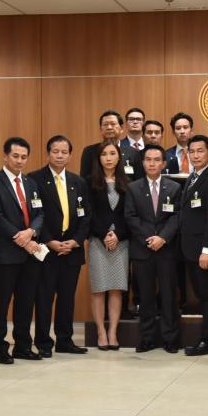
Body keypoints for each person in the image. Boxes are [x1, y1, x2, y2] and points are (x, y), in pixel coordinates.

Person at [0, 137, 44, 364]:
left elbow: (40, 213)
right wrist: (23, 239)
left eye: (24, 157)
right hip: (5, 253)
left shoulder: (31, 183)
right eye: (15, 156)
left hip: (30, 253)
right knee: (1, 302)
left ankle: (23, 346)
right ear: (5, 156)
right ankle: (0, 347)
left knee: (26, 301)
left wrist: (32, 232)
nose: (19, 161)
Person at [30, 135, 91, 356]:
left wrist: (76, 241)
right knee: (44, 298)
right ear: (48, 154)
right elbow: (35, 214)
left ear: (70, 155)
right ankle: (43, 342)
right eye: (55, 151)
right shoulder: (34, 179)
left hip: (71, 250)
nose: (59, 155)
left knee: (67, 298)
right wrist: (49, 240)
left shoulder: (78, 182)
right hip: (47, 249)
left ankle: (65, 340)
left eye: (64, 152)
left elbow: (86, 216)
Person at [124, 145, 182, 353]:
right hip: (143, 249)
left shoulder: (174, 188)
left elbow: (177, 216)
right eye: (148, 159)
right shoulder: (133, 188)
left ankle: (170, 338)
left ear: (164, 163)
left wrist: (163, 238)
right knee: (145, 297)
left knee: (168, 296)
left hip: (167, 250)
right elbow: (130, 216)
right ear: (142, 162)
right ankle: (147, 338)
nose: (152, 163)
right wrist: (148, 239)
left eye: (157, 160)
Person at [181, 135, 208, 355]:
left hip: (203, 250)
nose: (196, 155)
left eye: (200, 151)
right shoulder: (193, 176)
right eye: (192, 151)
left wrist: (207, 250)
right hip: (189, 248)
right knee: (202, 295)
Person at [87, 140, 130, 350]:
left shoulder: (128, 182)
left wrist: (117, 234)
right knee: (99, 288)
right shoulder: (89, 183)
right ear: (98, 158)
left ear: (119, 157)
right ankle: (100, 332)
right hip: (98, 241)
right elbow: (88, 214)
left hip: (121, 242)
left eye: (112, 153)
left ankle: (113, 332)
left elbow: (129, 214)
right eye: (104, 154)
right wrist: (104, 234)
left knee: (116, 289)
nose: (108, 158)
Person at [80, 110, 143, 180]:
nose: (109, 127)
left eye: (113, 124)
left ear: (121, 128)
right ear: (100, 129)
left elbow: (139, 181)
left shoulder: (133, 152)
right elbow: (84, 180)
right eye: (105, 124)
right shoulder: (89, 151)